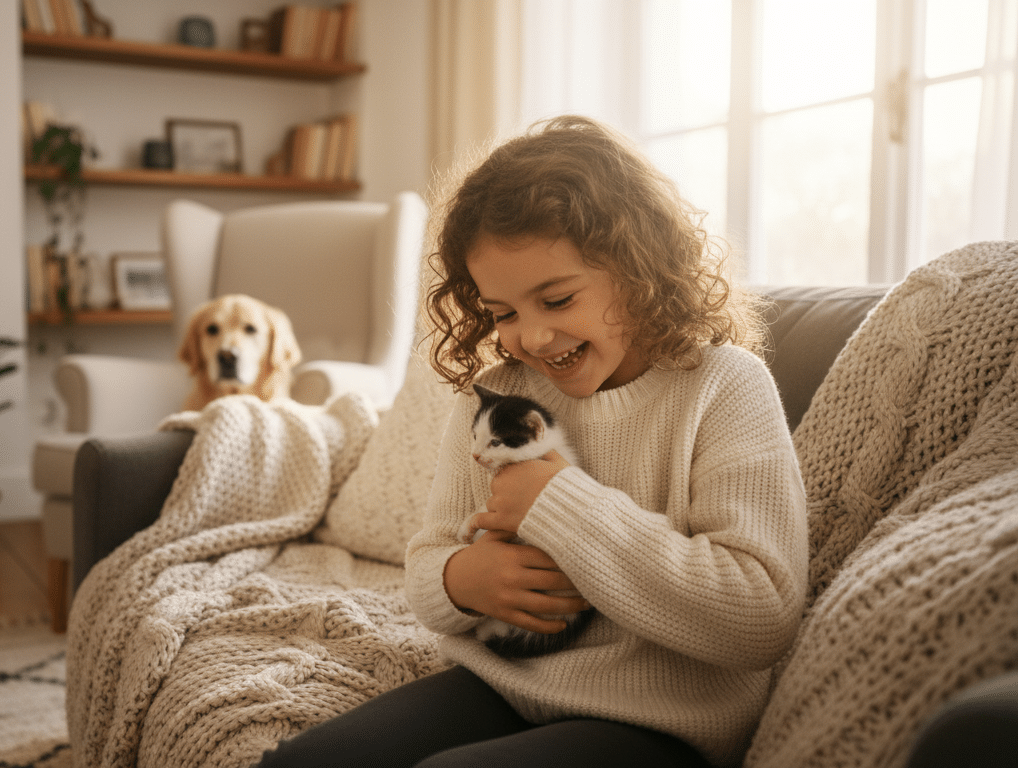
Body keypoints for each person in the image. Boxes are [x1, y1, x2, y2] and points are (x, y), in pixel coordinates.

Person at [257, 115, 808, 768]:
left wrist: (559, 502)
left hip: (660, 725)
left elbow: (761, 615)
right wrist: (464, 580)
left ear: (638, 269)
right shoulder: (495, 393)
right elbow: (430, 555)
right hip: (501, 685)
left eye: (558, 299)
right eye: (504, 314)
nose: (534, 338)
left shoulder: (723, 386)